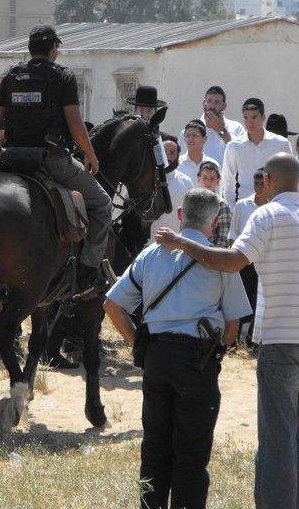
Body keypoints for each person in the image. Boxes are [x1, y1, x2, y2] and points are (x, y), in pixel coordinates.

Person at [155, 153, 299, 509]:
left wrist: (183, 242)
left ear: (270, 183)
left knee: (278, 439)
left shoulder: (266, 215)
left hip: (280, 342)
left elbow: (231, 262)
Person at [104, 188, 250, 509]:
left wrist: (140, 344)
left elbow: (113, 304)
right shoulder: (221, 260)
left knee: (154, 448)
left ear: (180, 215)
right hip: (199, 361)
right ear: (213, 224)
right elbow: (231, 331)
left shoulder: (150, 254)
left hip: (156, 355)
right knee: (192, 454)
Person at [0, 24, 112, 290]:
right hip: (50, 159)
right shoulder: (62, 76)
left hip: (11, 157)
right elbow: (74, 121)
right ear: (53, 48)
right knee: (102, 203)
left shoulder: (12, 76)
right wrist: (90, 154)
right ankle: (89, 271)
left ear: (30, 49)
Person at [221, 98, 292, 204]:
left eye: (254, 117)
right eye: (246, 118)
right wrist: (231, 208)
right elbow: (228, 180)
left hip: (274, 204)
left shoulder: (281, 144)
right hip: (245, 205)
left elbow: (290, 175)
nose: (249, 122)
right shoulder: (234, 146)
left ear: (263, 117)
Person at [229, 169, 268, 338]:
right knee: (241, 298)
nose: (259, 187)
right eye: (256, 184)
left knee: (259, 299)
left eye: (262, 184)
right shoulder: (242, 205)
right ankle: (236, 336)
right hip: (244, 259)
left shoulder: (272, 207)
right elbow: (233, 234)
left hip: (264, 261)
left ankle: (254, 337)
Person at [178, 86, 245, 168]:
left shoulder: (236, 128)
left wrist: (222, 131)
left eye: (217, 102)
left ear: (224, 106)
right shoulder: (188, 133)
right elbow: (180, 162)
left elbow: (243, 155)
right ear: (204, 103)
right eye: (209, 101)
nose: (212, 106)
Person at [146, 138, 193, 236]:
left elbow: (191, 213)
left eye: (172, 153)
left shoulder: (186, 182)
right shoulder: (145, 179)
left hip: (175, 240)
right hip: (148, 240)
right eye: (164, 152)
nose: (167, 157)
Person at [196, 161, 231, 248]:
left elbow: (224, 237)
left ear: (218, 180)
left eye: (212, 178)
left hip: (211, 253)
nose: (208, 182)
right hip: (191, 250)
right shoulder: (191, 201)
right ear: (198, 178)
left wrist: (215, 257)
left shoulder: (221, 204)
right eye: (205, 178)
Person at [177, 119, 218, 188]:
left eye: (194, 135)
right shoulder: (178, 165)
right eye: (187, 136)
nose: (190, 139)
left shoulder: (213, 164)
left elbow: (218, 193)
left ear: (205, 139)